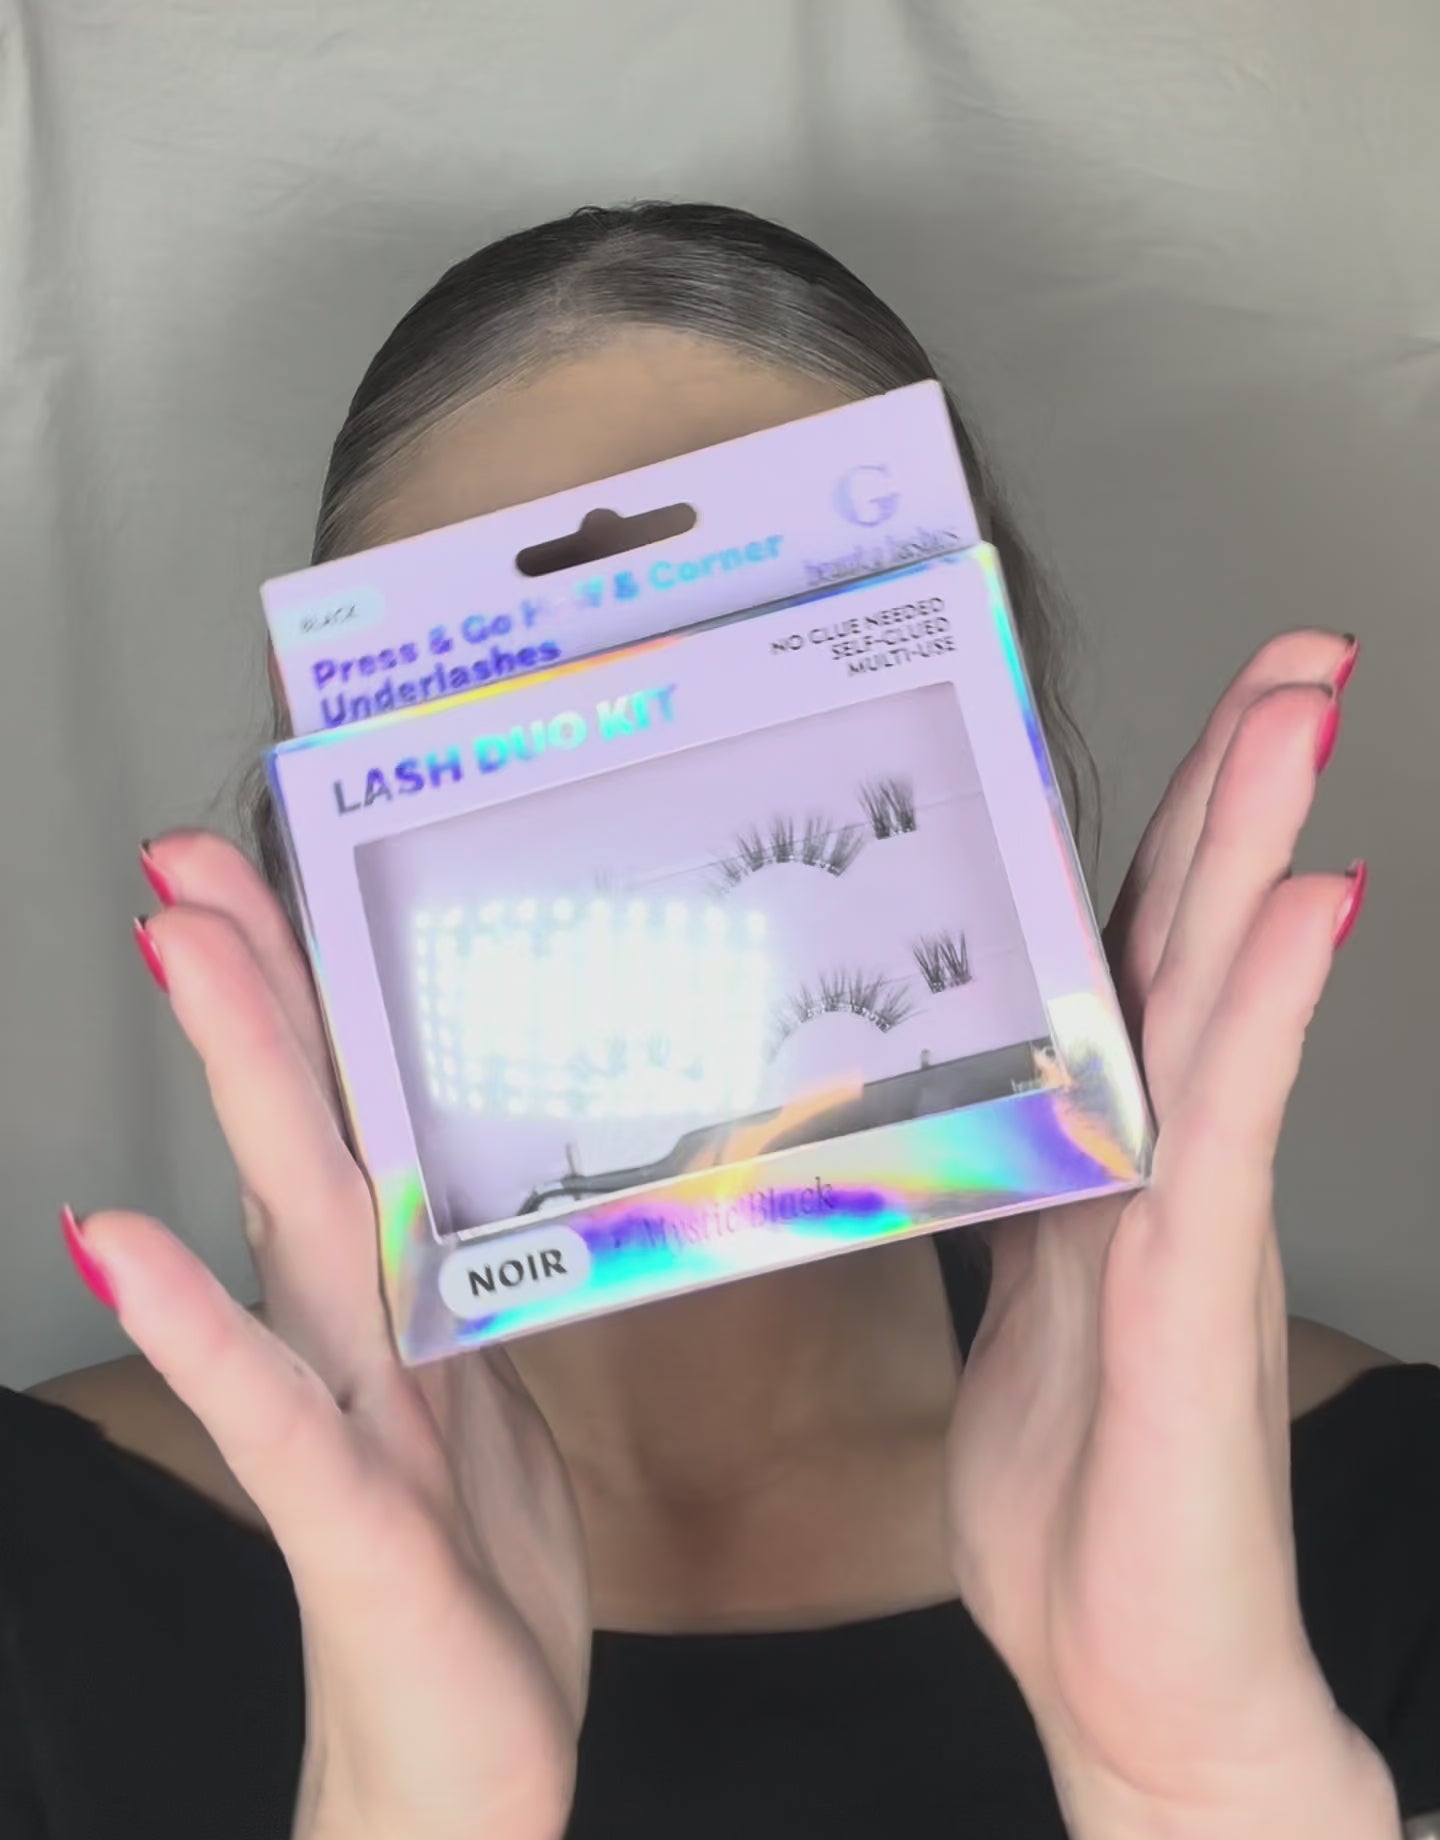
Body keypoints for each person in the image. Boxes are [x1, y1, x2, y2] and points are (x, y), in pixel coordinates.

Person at [3, 203, 1437, 1840]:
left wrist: (1211, 1794)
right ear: (311, 866)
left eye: (798, 703)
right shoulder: (38, 1579)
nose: (685, 860)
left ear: (1004, 795)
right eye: (521, 742)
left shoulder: (1394, 1518)